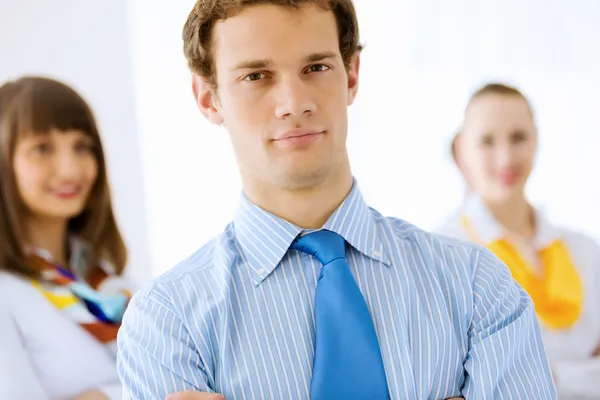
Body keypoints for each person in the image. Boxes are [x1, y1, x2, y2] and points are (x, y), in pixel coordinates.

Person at [117, 2, 556, 399]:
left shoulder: (479, 287)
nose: (294, 102)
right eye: (256, 75)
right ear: (208, 98)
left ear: (351, 75)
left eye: (316, 68)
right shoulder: (166, 323)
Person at [438, 82, 600, 399]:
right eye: (487, 141)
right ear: (461, 152)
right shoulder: (443, 253)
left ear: (537, 141)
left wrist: (535, 375)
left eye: (519, 137)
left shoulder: (585, 251)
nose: (505, 158)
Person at [0, 76, 131, 400]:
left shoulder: (109, 284)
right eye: (42, 149)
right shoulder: (6, 291)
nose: (69, 169)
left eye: (82, 146)